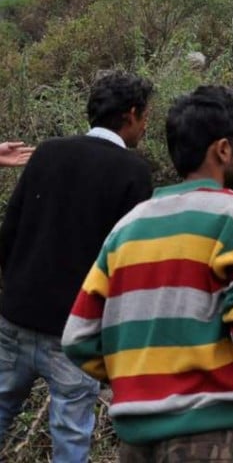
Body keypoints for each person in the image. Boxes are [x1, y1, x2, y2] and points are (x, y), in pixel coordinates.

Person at [63, 85, 233, 463]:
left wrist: (138, 383)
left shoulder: (127, 227)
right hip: (208, 433)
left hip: (133, 437)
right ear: (223, 149)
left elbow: (77, 337)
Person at [0, 72, 153, 462]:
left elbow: (10, 231)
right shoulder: (133, 173)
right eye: (145, 116)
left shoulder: (48, 152)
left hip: (16, 319)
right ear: (131, 114)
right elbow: (128, 265)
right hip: (75, 330)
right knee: (70, 434)